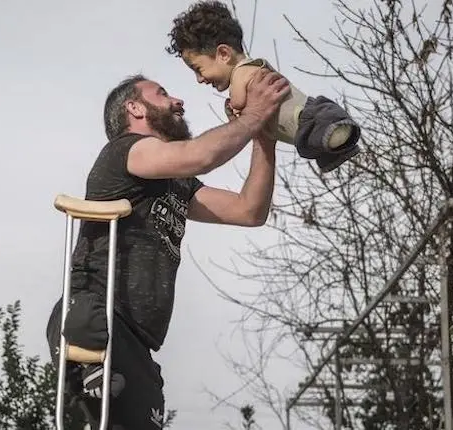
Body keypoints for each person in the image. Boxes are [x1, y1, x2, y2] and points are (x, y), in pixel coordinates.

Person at [45, 68, 290, 429]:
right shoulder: (126, 152)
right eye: (162, 94)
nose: (178, 100)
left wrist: (264, 138)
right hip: (98, 319)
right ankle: (86, 375)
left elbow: (249, 210)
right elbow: (203, 154)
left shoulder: (177, 181)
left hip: (136, 341)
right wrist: (254, 115)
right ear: (135, 109)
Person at [165, 0, 362, 173]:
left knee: (320, 129)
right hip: (305, 129)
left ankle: (336, 134)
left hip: (308, 118)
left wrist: (234, 113)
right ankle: (337, 142)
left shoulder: (243, 72)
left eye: (198, 69)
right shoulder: (254, 70)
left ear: (224, 54)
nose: (199, 79)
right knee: (321, 139)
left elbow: (239, 102)